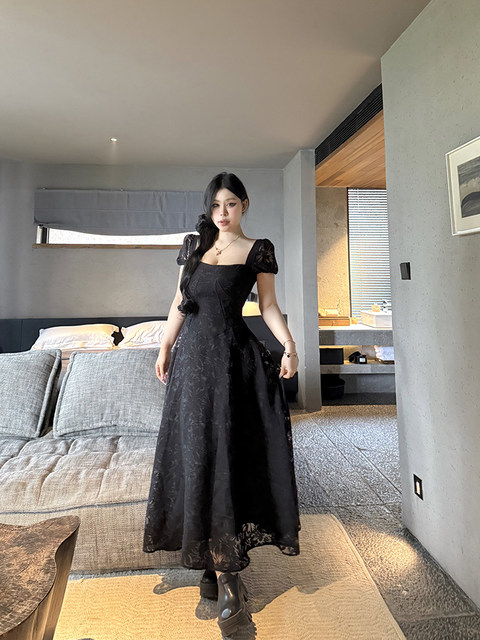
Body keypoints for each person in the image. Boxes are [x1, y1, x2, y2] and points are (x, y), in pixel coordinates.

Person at [143, 171, 301, 636]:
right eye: (215, 205)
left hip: (232, 365)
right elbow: (179, 301)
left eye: (230, 203)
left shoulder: (257, 250)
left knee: (226, 460)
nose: (222, 212)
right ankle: (210, 566)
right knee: (195, 457)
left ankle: (229, 578)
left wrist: (289, 345)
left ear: (244, 204)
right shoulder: (194, 246)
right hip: (192, 366)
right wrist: (165, 346)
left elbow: (267, 306)